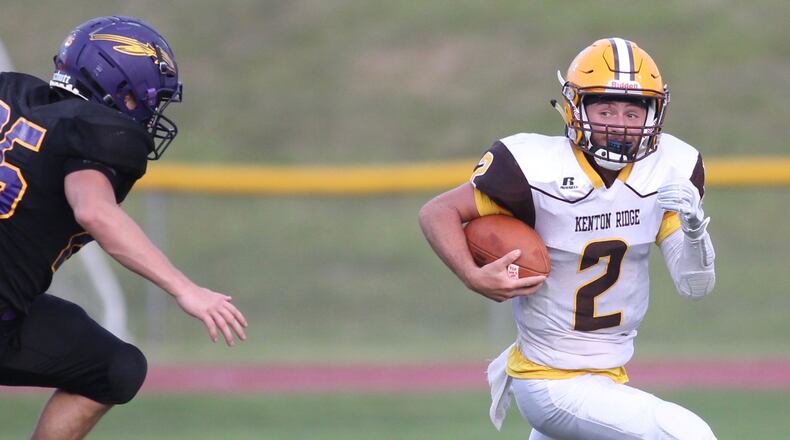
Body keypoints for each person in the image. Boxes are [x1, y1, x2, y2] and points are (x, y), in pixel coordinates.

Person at [419, 37, 717, 439]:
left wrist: (695, 228)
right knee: (686, 433)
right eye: (605, 108)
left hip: (606, 376)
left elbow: (694, 285)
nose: (618, 123)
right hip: (550, 378)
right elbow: (438, 212)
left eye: (632, 111)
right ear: (575, 107)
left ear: (654, 114)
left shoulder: (671, 168)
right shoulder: (535, 168)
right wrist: (472, 275)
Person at [0, 16, 247, 439]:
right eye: (143, 98)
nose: (147, 111)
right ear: (115, 86)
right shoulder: (101, 130)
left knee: (114, 368)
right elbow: (94, 210)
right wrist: (185, 289)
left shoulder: (10, 91)